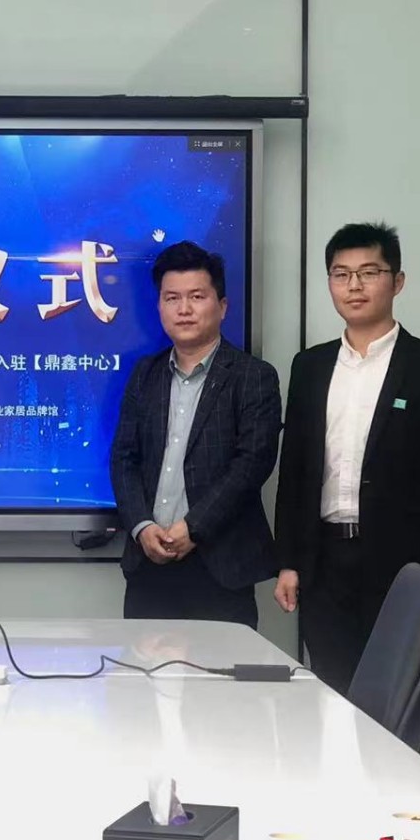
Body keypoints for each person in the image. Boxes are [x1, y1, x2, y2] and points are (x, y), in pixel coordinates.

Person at [273, 222, 420, 718]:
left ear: (397, 281)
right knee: (333, 704)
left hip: (404, 568)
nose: (354, 286)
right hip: (325, 565)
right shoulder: (310, 366)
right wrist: (290, 561)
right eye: (341, 274)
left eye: (369, 272)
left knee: (401, 711)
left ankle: (410, 777)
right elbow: (295, 471)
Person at [109, 242, 282, 627]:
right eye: (172, 298)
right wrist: (142, 527)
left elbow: (252, 464)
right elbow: (123, 460)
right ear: (159, 307)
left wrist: (193, 528)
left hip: (221, 567)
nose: (183, 309)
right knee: (143, 666)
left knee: (221, 669)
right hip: (149, 566)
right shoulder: (145, 375)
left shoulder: (253, 376)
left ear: (222, 306)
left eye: (197, 297)